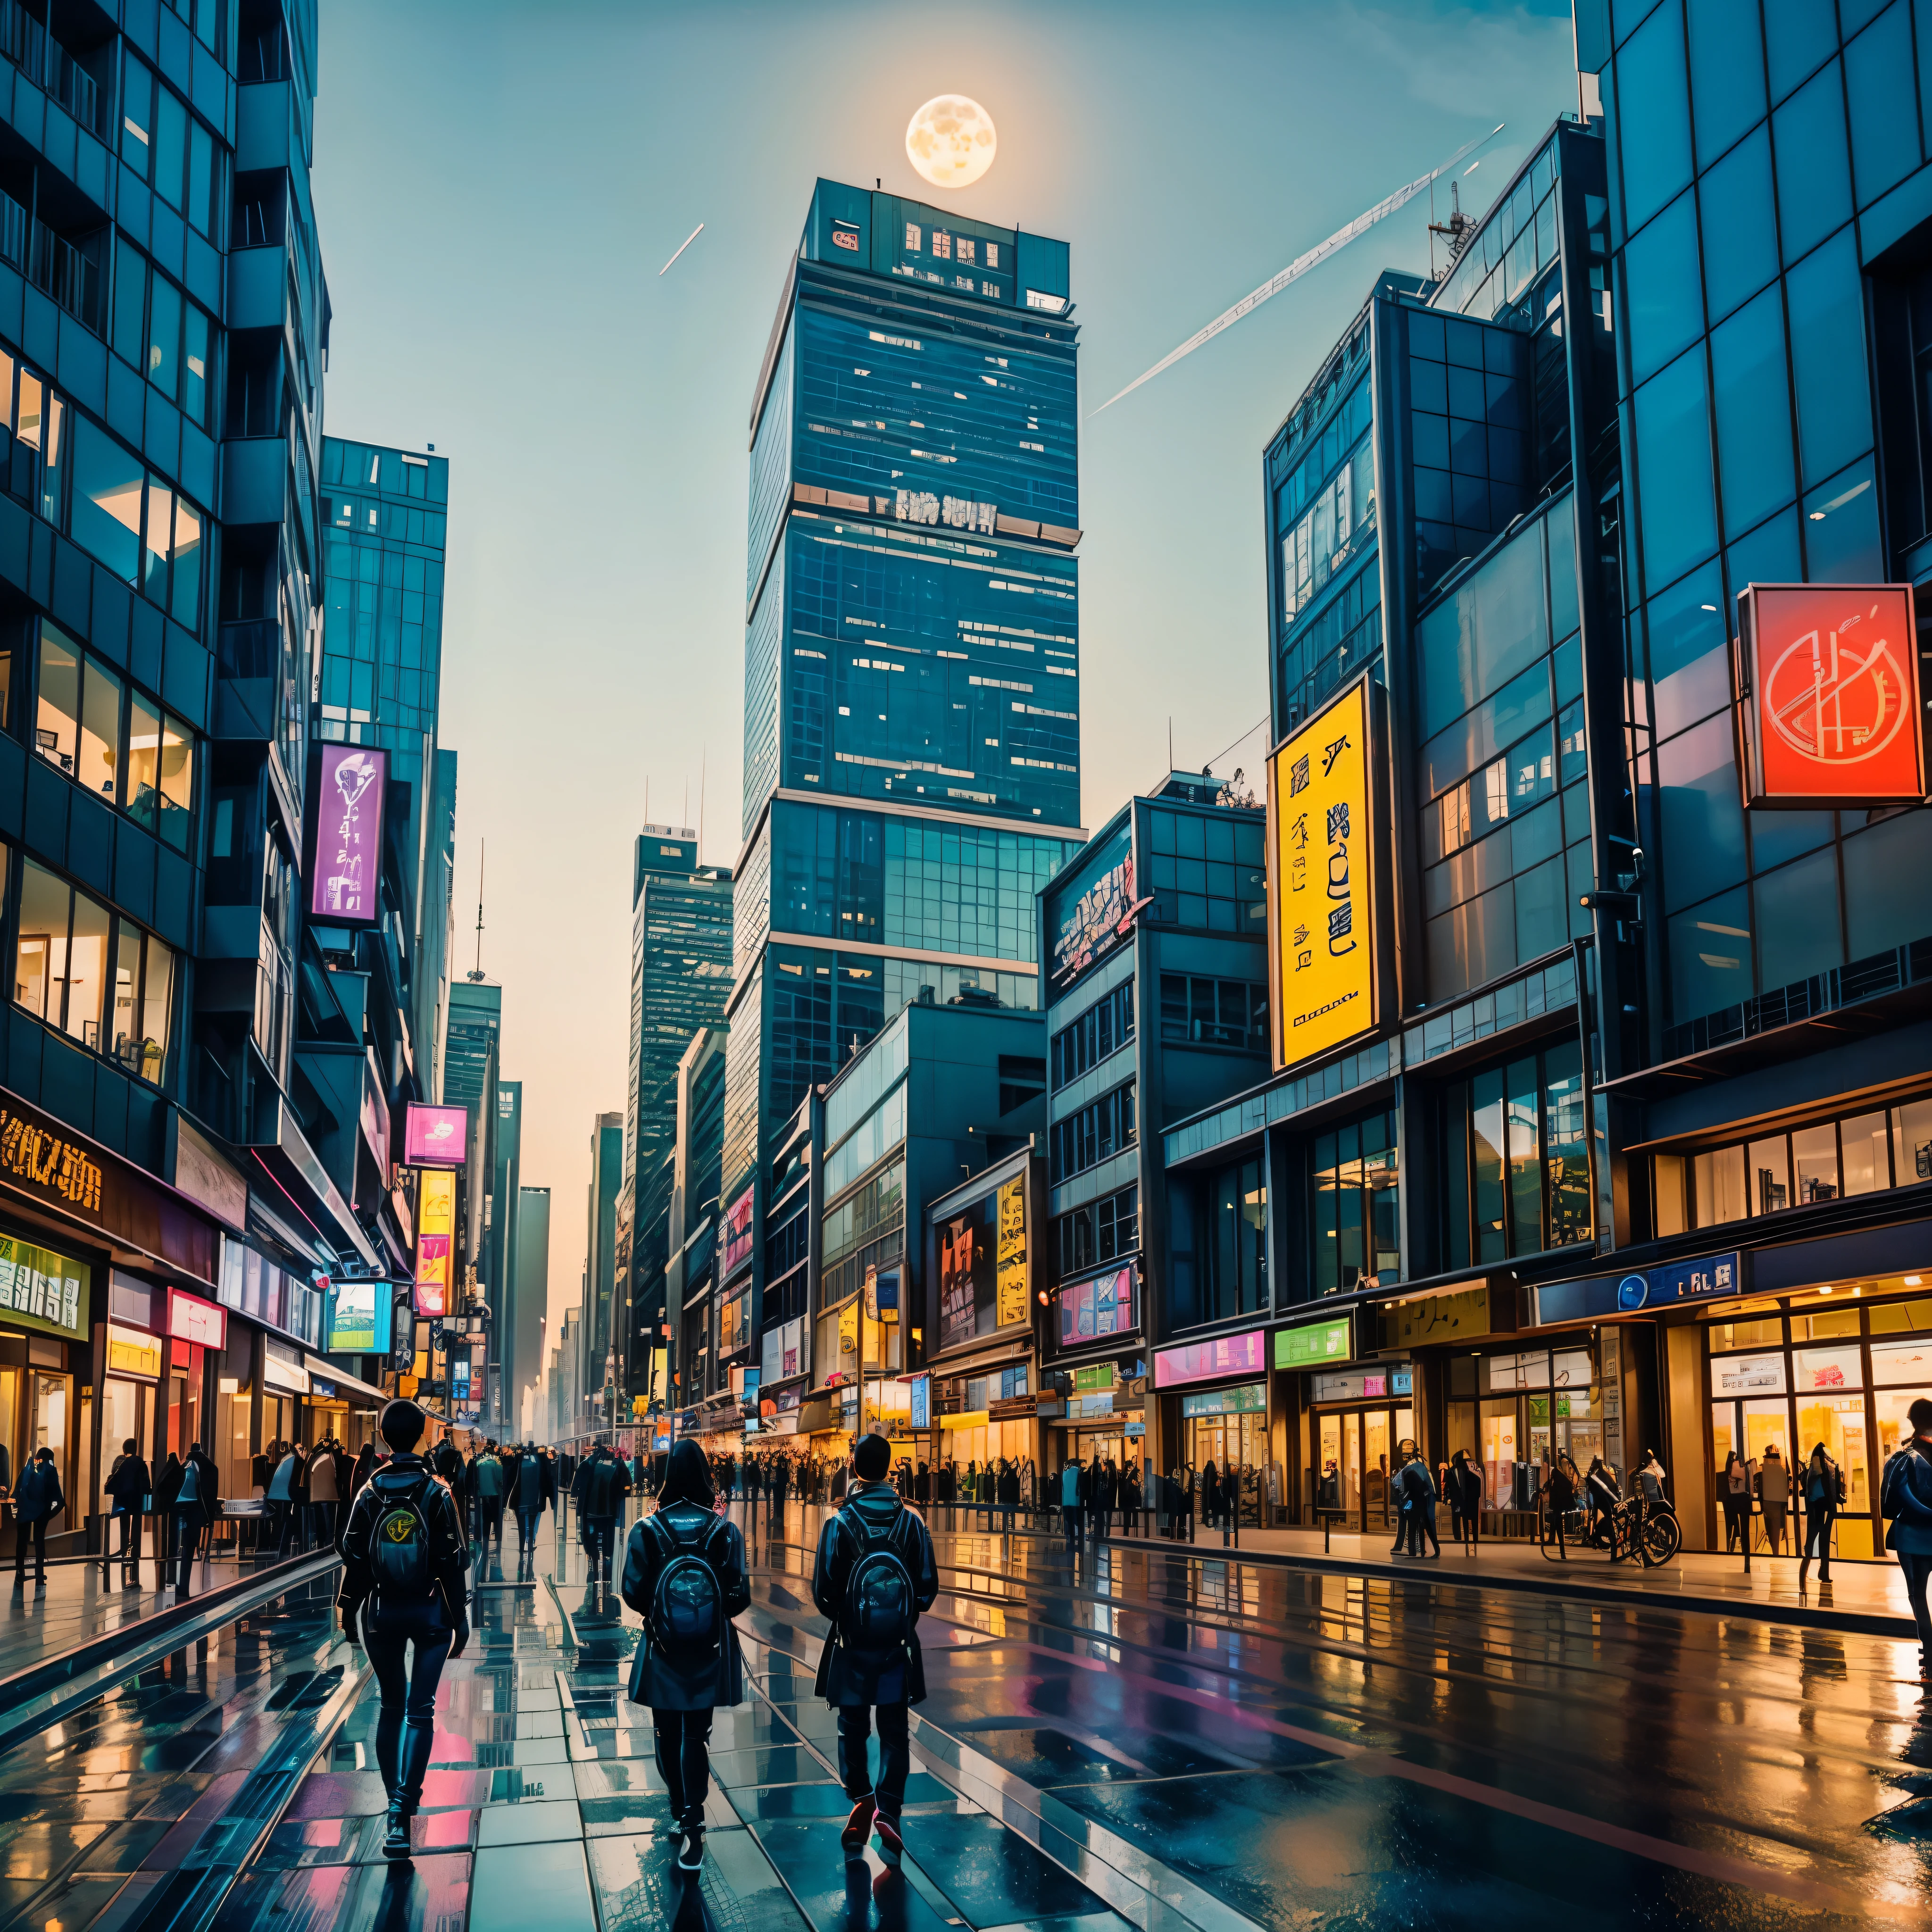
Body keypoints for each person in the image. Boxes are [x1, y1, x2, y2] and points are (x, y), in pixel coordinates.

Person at [337, 1399, 471, 1862]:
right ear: (419, 1436)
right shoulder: (438, 1492)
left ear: (384, 1434)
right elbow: (455, 1561)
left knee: (391, 1705)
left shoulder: (369, 1493)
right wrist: (462, 1619)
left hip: (381, 1613)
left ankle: (392, 1810)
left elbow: (352, 1554)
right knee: (421, 1709)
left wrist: (348, 1608)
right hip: (431, 1611)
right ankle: (404, 1807)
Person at [811, 1432, 939, 1870]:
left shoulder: (840, 1522)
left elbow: (823, 1591)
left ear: (855, 1467)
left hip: (852, 1645)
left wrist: (850, 1618)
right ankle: (892, 1811)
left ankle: (861, 1798)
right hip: (896, 1647)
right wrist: (901, 1618)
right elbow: (927, 1588)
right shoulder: (912, 1521)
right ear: (890, 1468)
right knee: (894, 1730)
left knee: (852, 1726)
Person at [620, 1438, 749, 1874]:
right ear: (706, 1476)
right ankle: (695, 1822)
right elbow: (739, 1596)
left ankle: (678, 1805)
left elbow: (633, 1593)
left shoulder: (647, 1529)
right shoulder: (723, 1530)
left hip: (663, 1648)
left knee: (665, 1733)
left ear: (668, 1476)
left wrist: (664, 1615)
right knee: (697, 1735)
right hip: (710, 1650)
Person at [1880, 1396, 1932, 1682]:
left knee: (1918, 1596)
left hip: (1911, 1537)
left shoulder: (1902, 1459)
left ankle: (1930, 1649)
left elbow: (1888, 1506)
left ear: (1912, 1421)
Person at [574, 1441, 632, 1579]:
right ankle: (606, 1567)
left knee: (591, 1539)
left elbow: (576, 1488)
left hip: (591, 1512)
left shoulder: (588, 1463)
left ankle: (594, 1565)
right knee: (607, 1540)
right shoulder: (617, 1464)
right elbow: (627, 1486)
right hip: (609, 1512)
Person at [11, 1447, 63, 1587]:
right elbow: (61, 1502)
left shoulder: (27, 1471)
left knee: (22, 1542)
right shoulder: (51, 1473)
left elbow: (16, 1494)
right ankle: (39, 1576)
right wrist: (48, 1515)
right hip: (42, 1513)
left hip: (25, 1511)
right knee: (39, 1543)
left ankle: (19, 1574)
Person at [1799, 1441, 1845, 1591]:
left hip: (1818, 1509)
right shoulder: (1828, 1471)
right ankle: (1822, 1572)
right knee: (1819, 1542)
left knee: (1814, 1542)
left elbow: (1808, 1492)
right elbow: (1834, 1494)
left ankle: (1819, 1572)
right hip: (1824, 1509)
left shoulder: (1811, 1472)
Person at [173, 1441, 219, 1591]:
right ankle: (188, 1584)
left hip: (186, 1510)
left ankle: (183, 1583)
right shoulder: (208, 1466)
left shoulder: (186, 1466)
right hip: (199, 1512)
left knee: (186, 1547)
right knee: (192, 1545)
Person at [104, 1438, 149, 1580]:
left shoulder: (120, 1461)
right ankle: (135, 1550)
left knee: (124, 1524)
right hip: (137, 1499)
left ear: (124, 1449)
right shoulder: (141, 1463)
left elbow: (113, 1475)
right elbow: (146, 1483)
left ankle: (124, 1549)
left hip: (123, 1498)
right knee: (136, 1524)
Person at [472, 1441, 506, 1553]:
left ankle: (485, 1541)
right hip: (495, 1494)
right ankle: (497, 1543)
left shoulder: (479, 1463)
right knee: (496, 1519)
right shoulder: (495, 1464)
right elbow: (500, 1478)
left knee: (485, 1520)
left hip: (483, 1494)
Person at [1541, 1452, 1577, 1560]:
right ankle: (1553, 1540)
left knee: (1557, 1523)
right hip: (1560, 1504)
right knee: (1555, 1521)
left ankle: (1561, 1551)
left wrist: (1545, 1487)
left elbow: (1551, 1484)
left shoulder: (1557, 1473)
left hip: (1558, 1503)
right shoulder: (1564, 1475)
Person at [1757, 1445, 1790, 1556]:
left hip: (1768, 1503)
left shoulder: (1763, 1471)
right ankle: (1775, 1553)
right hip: (1776, 1503)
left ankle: (1775, 1552)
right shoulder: (1780, 1472)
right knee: (1775, 1529)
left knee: (1771, 1529)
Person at [309, 1437, 341, 1550]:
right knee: (330, 1524)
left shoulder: (317, 1454)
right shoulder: (333, 1455)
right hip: (330, 1495)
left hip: (317, 1495)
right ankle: (329, 1546)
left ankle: (321, 1546)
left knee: (321, 1524)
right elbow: (338, 1473)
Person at [1446, 1450, 1480, 1548]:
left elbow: (1476, 1485)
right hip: (1457, 1499)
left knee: (1470, 1518)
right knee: (1457, 1516)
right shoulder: (1451, 1472)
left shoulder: (1470, 1474)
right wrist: (1448, 1497)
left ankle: (1473, 1537)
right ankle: (1458, 1537)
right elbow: (1449, 1486)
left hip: (1470, 1500)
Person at [1720, 1449, 1751, 1553]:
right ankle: (1744, 1550)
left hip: (1732, 1501)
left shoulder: (1726, 1474)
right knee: (1743, 1528)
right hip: (1742, 1499)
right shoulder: (1745, 1470)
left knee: (1732, 1528)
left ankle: (1731, 1549)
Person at [1059, 1459, 1084, 1548]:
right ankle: (1079, 1540)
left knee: (1068, 1522)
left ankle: (1069, 1538)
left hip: (1065, 1501)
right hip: (1076, 1501)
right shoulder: (1078, 1472)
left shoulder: (1064, 1473)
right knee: (1078, 1522)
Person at [1121, 1460, 1142, 1536]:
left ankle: (1133, 1534)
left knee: (1132, 1516)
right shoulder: (1125, 1475)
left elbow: (1136, 1487)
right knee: (1127, 1517)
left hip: (1132, 1498)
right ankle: (1126, 1533)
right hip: (1127, 1499)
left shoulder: (1134, 1475)